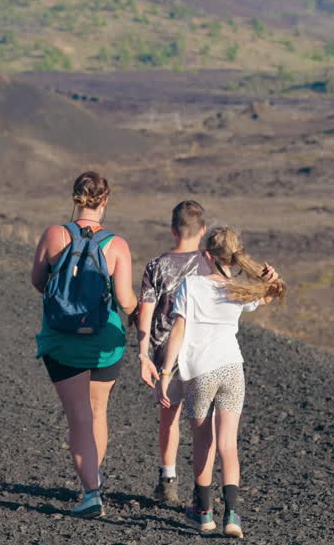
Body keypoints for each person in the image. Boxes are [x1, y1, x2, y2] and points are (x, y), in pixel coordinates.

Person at [157, 226, 285, 538]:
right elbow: (268, 296)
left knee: (203, 443)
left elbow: (178, 332)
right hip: (232, 369)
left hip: (201, 372)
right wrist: (271, 278)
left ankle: (203, 512)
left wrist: (165, 373)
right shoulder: (239, 289)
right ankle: (233, 515)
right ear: (236, 256)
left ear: (207, 255)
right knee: (228, 444)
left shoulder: (192, 285)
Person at [31, 171, 137, 518]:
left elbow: (38, 281)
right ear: (105, 200)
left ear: (75, 197)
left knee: (78, 418)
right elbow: (124, 299)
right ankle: (92, 480)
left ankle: (91, 492)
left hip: (62, 338)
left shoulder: (53, 234)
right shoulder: (117, 245)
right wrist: (141, 314)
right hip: (104, 340)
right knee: (98, 412)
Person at [136, 200, 211, 504]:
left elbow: (146, 310)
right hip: (202, 353)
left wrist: (142, 354)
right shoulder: (210, 265)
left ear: (172, 229)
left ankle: (168, 480)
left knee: (170, 418)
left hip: (164, 354)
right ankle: (201, 490)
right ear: (202, 230)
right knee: (202, 423)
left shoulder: (157, 265)